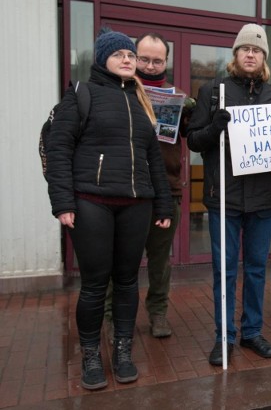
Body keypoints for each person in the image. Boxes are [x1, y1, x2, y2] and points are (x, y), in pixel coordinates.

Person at [44, 29, 173, 390]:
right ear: (102, 59)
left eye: (130, 55)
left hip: (136, 204)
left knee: (129, 280)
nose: (128, 60)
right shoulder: (81, 95)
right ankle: (90, 355)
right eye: (119, 55)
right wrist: (63, 203)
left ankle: (122, 351)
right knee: (95, 285)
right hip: (92, 203)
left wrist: (162, 202)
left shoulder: (141, 100)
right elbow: (59, 151)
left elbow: (153, 160)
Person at [187, 24, 271, 366]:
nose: (251, 54)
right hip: (225, 197)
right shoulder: (213, 92)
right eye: (245, 49)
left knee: (258, 268)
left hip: (262, 199)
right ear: (235, 55)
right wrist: (214, 127)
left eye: (257, 50)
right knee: (226, 270)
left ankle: (251, 332)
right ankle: (224, 336)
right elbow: (194, 140)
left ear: (264, 58)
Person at [103, 32, 195, 340]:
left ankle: (158, 313)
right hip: (124, 188)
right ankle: (114, 314)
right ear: (133, 57)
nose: (151, 65)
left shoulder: (178, 97)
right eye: (144, 58)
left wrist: (192, 119)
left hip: (166, 191)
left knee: (159, 260)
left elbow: (192, 137)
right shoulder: (115, 92)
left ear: (167, 61)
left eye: (158, 60)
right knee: (120, 258)